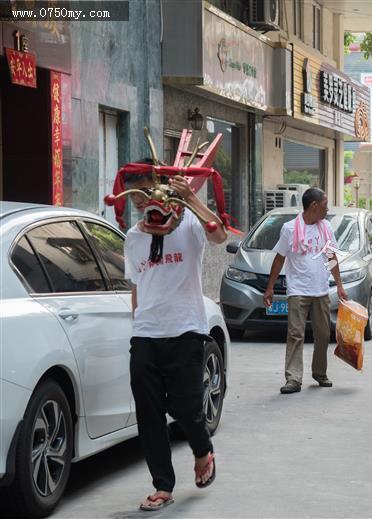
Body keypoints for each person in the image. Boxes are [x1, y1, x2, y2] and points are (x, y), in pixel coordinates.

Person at [123, 168, 227, 512]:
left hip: (186, 329)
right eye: (134, 197)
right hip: (146, 333)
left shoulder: (188, 225)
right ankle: (163, 485)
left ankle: (202, 450)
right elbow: (137, 286)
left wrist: (192, 199)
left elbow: (220, 236)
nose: (140, 202)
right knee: (149, 412)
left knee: (186, 405)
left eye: (144, 193)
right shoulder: (134, 237)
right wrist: (138, 323)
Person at [263, 188, 348, 394]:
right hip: (298, 290)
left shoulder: (326, 227)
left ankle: (320, 373)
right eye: (325, 204)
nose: (328, 208)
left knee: (322, 334)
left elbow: (331, 258)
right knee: (295, 334)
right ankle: (293, 378)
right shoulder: (289, 228)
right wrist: (270, 287)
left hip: (320, 290)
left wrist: (339, 284)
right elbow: (279, 257)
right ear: (314, 206)